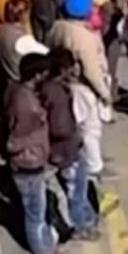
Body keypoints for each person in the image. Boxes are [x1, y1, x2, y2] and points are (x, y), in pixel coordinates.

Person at [5, 53, 65, 254]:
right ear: (37, 74)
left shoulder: (18, 91)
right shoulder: (27, 106)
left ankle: (47, 246)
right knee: (35, 214)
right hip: (29, 165)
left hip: (32, 160)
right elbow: (16, 139)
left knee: (37, 210)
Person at [42, 49, 100, 242]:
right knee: (76, 190)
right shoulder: (58, 94)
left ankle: (87, 219)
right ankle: (82, 226)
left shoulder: (47, 88)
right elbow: (61, 127)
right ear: (63, 69)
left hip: (60, 150)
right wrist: (75, 136)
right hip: (67, 151)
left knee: (77, 188)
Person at [47, 0, 113, 118]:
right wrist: (105, 94)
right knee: (90, 129)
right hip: (83, 86)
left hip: (66, 80)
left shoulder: (57, 26)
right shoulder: (84, 37)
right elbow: (91, 70)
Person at [0, 0, 48, 82]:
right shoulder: (23, 40)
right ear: (24, 15)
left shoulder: (1, 29)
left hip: (8, 72)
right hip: (19, 77)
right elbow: (47, 53)